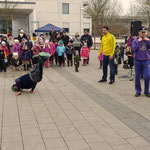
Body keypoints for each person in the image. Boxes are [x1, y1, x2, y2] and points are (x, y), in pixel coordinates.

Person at [132, 26, 150, 97]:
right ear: (139, 33)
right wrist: (138, 42)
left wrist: (148, 41)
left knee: (147, 76)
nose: (143, 34)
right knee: (137, 76)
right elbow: (133, 49)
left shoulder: (148, 39)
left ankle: (146, 91)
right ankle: (138, 91)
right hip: (137, 60)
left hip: (146, 60)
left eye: (144, 32)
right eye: (142, 32)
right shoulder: (135, 40)